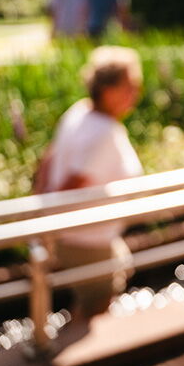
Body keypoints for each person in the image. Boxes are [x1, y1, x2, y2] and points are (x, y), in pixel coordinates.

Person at [36, 46, 144, 318]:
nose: (136, 94)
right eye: (130, 86)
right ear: (109, 90)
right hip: (86, 238)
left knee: (111, 277)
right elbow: (71, 185)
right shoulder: (103, 132)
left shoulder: (81, 111)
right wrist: (47, 220)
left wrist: (42, 207)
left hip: (81, 235)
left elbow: (49, 158)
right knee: (95, 305)